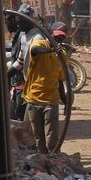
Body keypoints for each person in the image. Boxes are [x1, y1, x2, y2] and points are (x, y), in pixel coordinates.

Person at [22, 24, 64, 153]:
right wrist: (51, 50)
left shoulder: (62, 56)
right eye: (56, 37)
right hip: (33, 99)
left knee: (52, 140)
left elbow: (60, 81)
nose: (58, 40)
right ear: (50, 35)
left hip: (51, 101)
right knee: (38, 139)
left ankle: (54, 162)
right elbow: (35, 49)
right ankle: (43, 162)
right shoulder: (40, 44)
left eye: (61, 38)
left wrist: (66, 102)